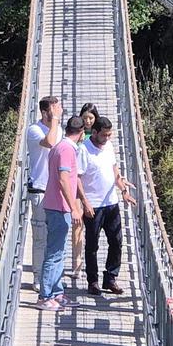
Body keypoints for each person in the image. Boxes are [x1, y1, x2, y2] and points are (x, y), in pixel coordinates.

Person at [79, 116, 136, 296]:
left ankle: (111, 278)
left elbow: (114, 170)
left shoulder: (109, 146)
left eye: (110, 135)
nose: (107, 138)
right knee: (92, 245)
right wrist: (84, 202)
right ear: (94, 133)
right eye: (104, 135)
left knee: (117, 241)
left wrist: (124, 191)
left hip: (111, 202)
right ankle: (93, 281)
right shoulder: (83, 150)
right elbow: (77, 179)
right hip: (93, 205)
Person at [39, 116, 89, 310]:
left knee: (59, 252)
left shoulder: (59, 146)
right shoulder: (67, 149)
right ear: (81, 132)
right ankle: (45, 296)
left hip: (56, 206)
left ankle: (57, 292)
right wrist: (74, 207)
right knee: (54, 253)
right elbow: (63, 179)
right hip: (58, 207)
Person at [25, 96, 62, 288]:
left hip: (57, 190)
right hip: (40, 189)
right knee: (40, 236)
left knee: (55, 236)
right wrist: (55, 120)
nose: (58, 112)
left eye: (59, 108)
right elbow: (49, 142)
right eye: (54, 109)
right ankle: (38, 277)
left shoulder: (60, 130)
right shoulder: (34, 130)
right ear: (44, 112)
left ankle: (53, 277)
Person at [72, 103, 100, 279]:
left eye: (91, 118)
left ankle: (91, 264)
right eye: (85, 118)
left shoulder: (100, 136)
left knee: (93, 228)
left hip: (93, 188)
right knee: (77, 224)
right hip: (76, 184)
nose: (88, 121)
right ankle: (77, 264)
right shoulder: (76, 134)